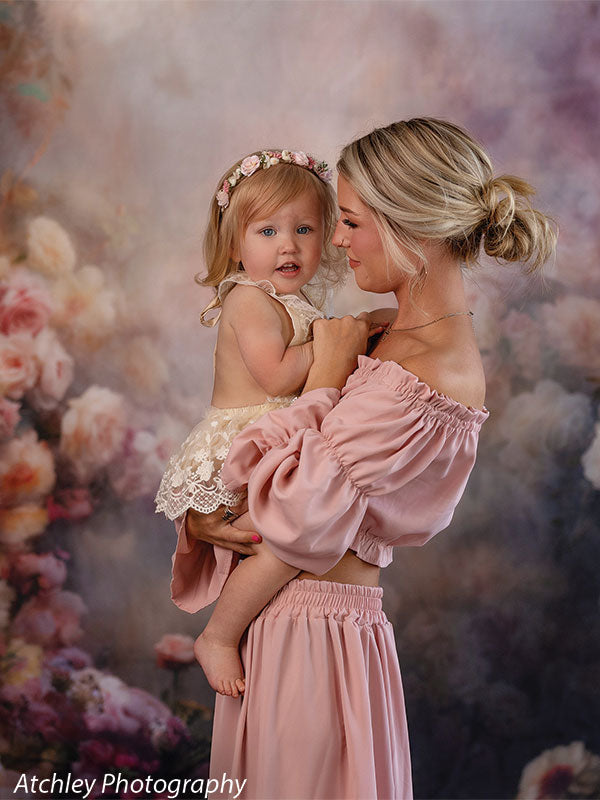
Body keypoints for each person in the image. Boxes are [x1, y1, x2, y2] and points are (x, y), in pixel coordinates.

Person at [170, 118, 557, 800]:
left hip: (313, 635)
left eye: (348, 221)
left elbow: (300, 504)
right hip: (280, 619)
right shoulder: (389, 331)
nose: (335, 241)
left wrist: (324, 374)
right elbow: (278, 473)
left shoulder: (431, 371)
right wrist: (206, 520)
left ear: (412, 223)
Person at [155, 148, 359, 696]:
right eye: (266, 231)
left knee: (292, 535)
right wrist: (329, 349)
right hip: (241, 444)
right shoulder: (248, 298)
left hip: (271, 438)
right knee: (282, 541)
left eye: (304, 228)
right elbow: (275, 378)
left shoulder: (293, 301)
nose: (288, 245)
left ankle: (232, 630)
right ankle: (218, 636)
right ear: (235, 245)